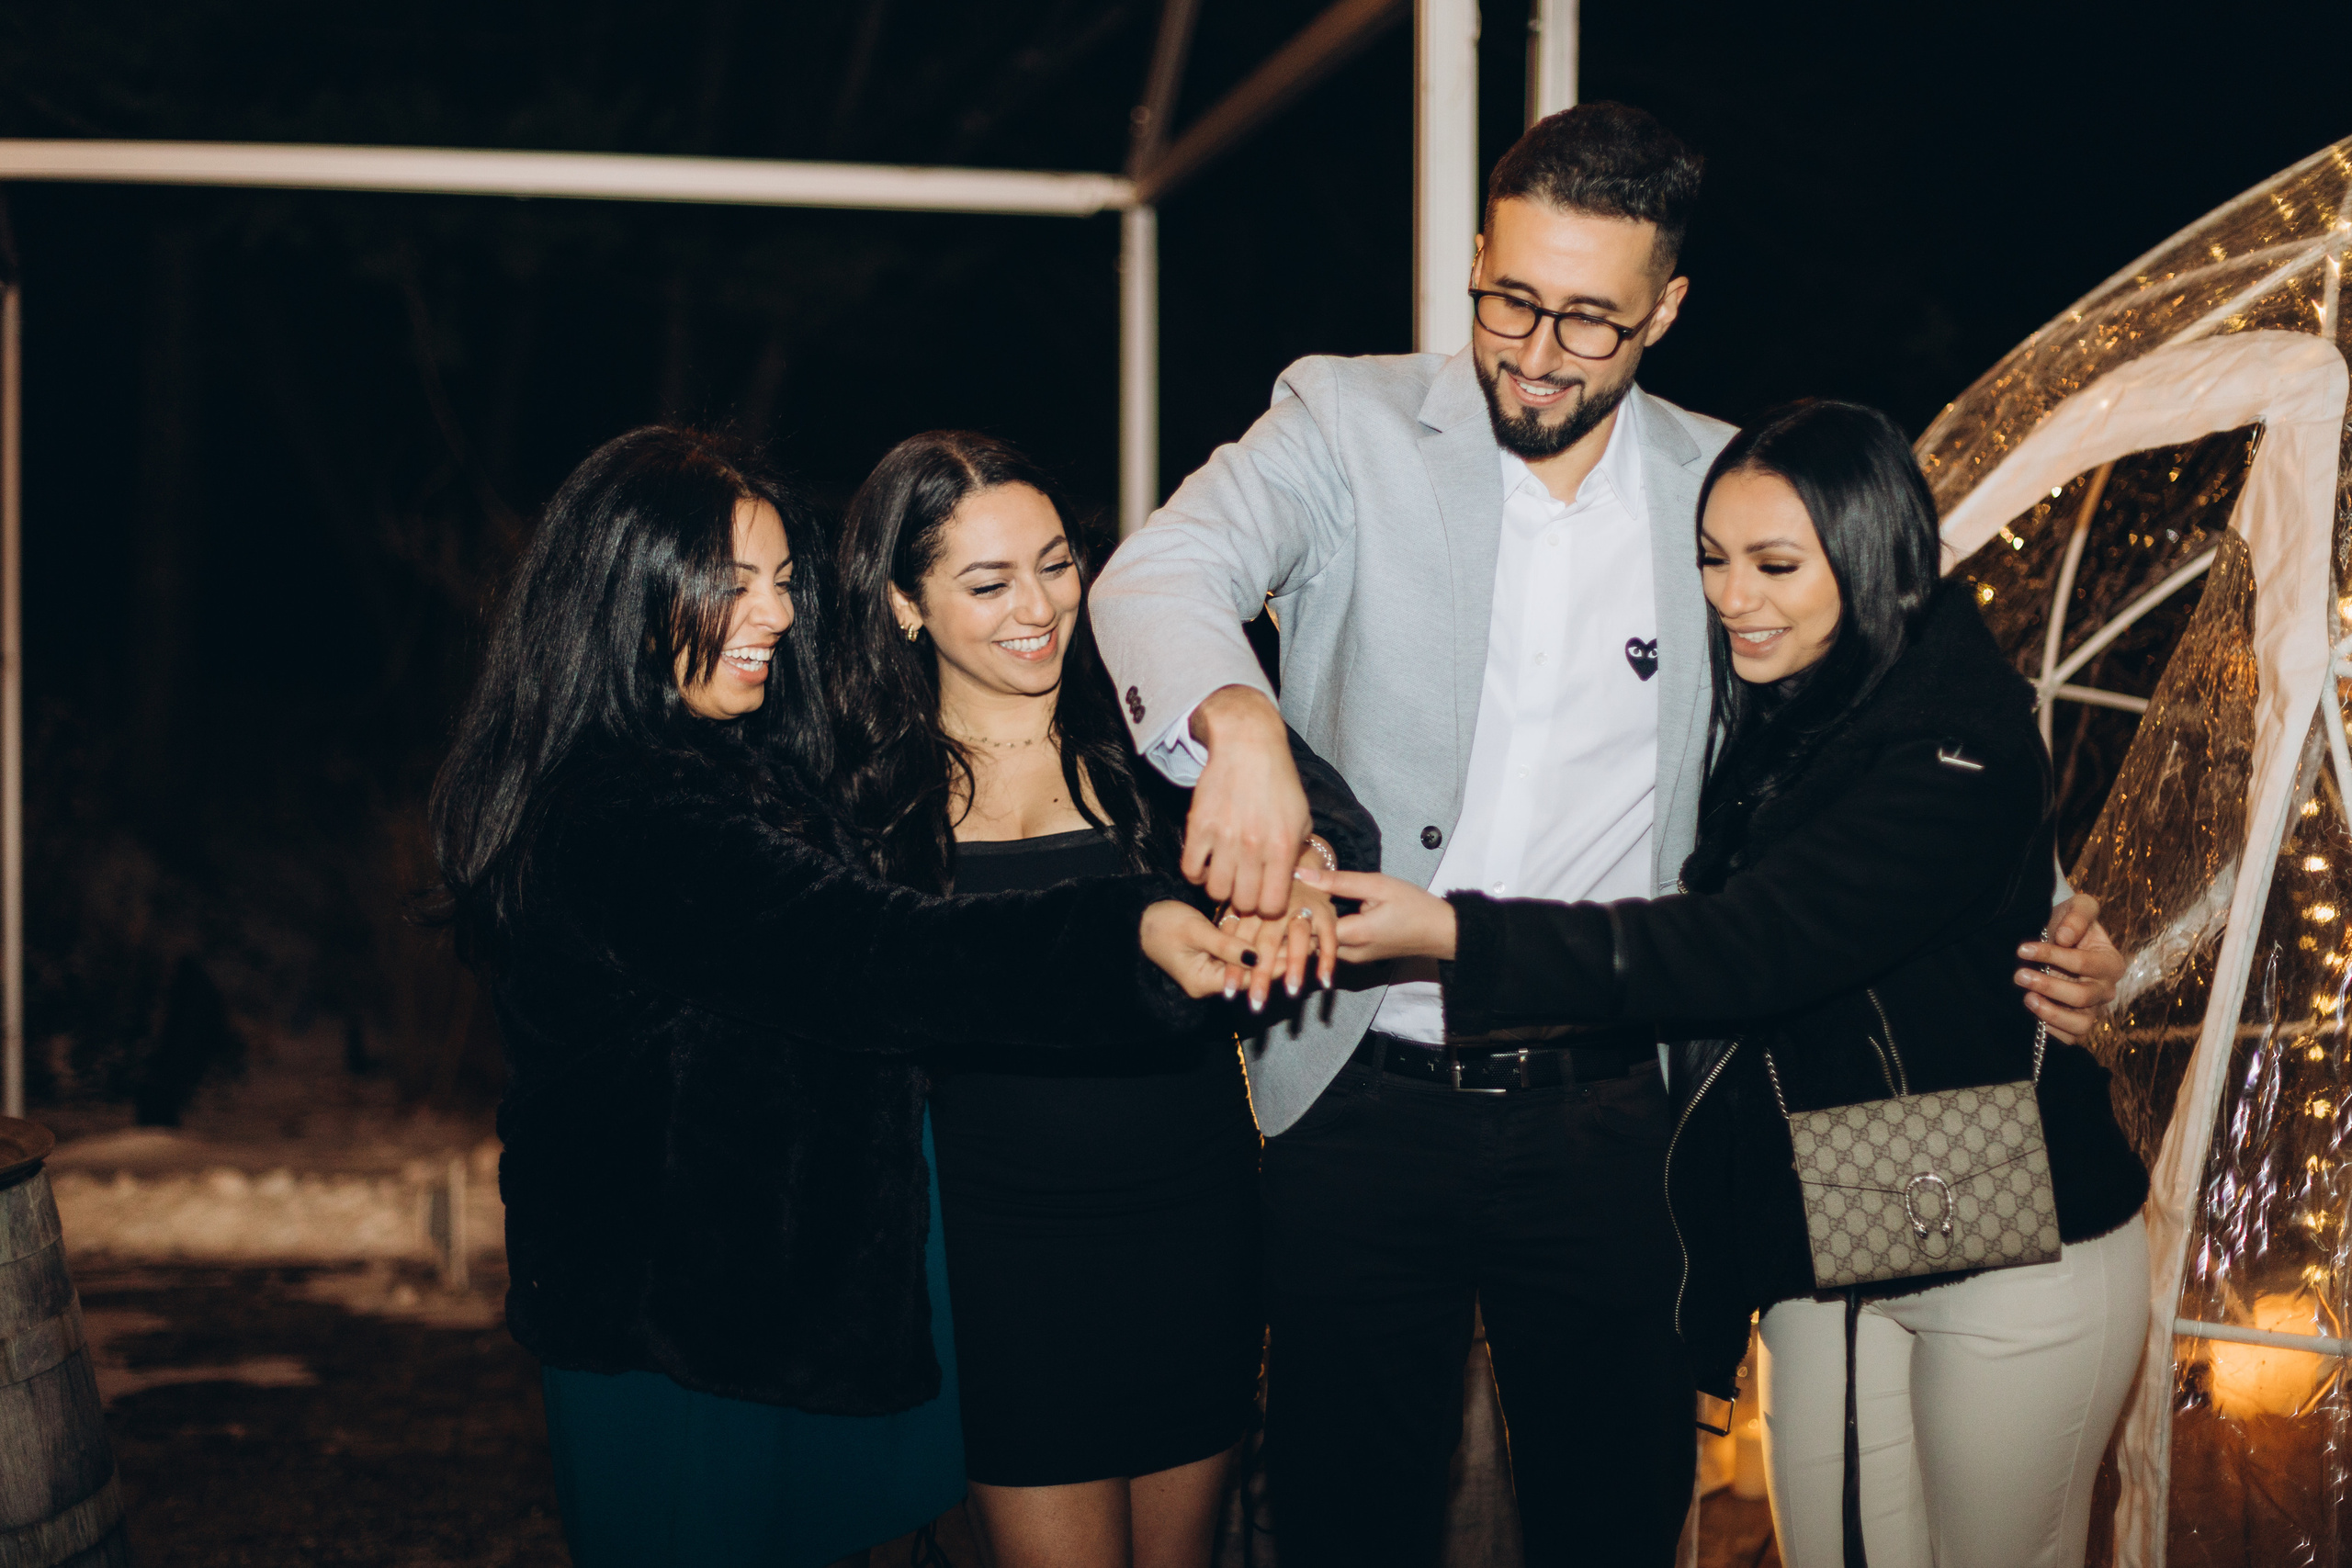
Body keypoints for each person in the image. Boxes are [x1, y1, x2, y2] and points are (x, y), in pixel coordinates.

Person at [1086, 103, 2127, 1567]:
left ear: (1667, 309)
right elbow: (1160, 574)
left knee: (1623, 1514)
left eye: (1589, 320)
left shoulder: (1730, 490)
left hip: (1629, 1110)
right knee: (1346, 1512)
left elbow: (1888, 703)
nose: (1536, 349)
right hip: (1361, 1087)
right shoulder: (1344, 421)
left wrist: (2051, 902)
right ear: (1475, 258)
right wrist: (1241, 732)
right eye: (1509, 299)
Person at [1307, 399, 2151, 1568]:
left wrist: (1457, 933)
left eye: (1774, 564)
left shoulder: (1955, 740)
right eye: (1711, 559)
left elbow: (1746, 946)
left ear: (1870, 556)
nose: (1732, 595)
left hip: (2014, 1218)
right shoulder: (1773, 705)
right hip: (1840, 1201)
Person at [428, 426, 1252, 1568]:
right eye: (732, 584)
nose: (774, 613)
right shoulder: (622, 812)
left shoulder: (730, 765)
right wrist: (1126, 932)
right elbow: (870, 954)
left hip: (756, 1325)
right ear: (626, 591)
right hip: (673, 1339)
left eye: (781, 580)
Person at [830, 430, 1375, 1568]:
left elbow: (1323, 826)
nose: (1039, 607)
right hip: (995, 1259)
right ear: (903, 604)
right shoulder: (860, 803)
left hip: (1195, 1226)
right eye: (988, 584)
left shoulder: (1153, 744)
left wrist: (1301, 876)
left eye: (1056, 563)